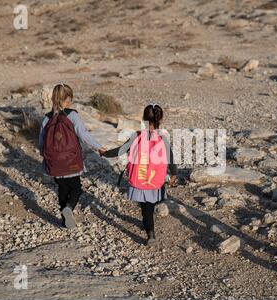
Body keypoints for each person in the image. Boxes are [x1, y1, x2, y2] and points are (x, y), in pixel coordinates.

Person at [103, 103, 177, 246]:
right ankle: (149, 227)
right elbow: (171, 159)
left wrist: (104, 153)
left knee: (145, 206)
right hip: (155, 179)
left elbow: (120, 151)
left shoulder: (136, 136)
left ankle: (149, 229)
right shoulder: (163, 139)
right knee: (150, 203)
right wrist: (173, 174)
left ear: (143, 119)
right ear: (160, 120)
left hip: (139, 178)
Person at [39, 83, 106, 229]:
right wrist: (99, 147)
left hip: (54, 162)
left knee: (62, 189)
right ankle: (68, 208)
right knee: (76, 188)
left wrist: (45, 157)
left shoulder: (47, 118)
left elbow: (41, 142)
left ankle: (64, 221)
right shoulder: (72, 115)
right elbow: (83, 135)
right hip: (71, 160)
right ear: (68, 98)